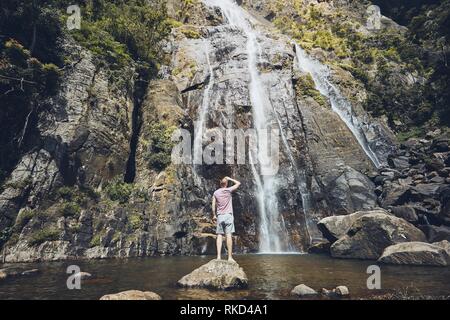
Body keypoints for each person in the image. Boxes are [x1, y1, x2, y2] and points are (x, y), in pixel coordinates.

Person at [212, 176, 241, 261]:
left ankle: (218, 257)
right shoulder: (228, 190)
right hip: (228, 215)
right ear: (226, 184)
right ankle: (229, 257)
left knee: (219, 235)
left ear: (220, 184)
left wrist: (214, 215)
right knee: (228, 235)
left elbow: (213, 205)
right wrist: (229, 178)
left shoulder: (216, 193)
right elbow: (238, 183)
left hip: (220, 216)